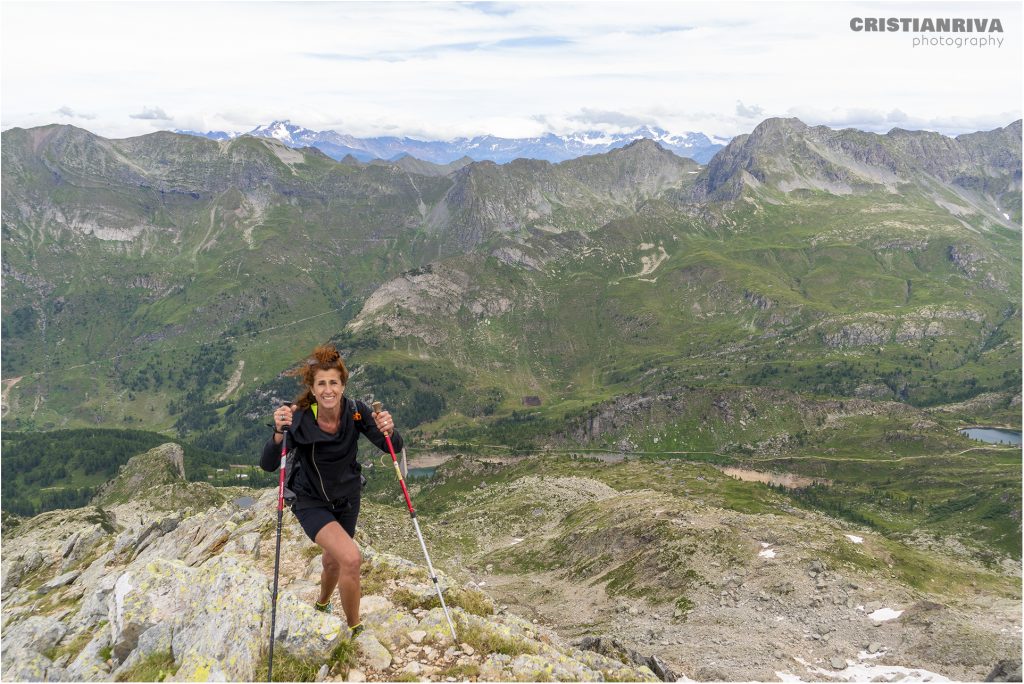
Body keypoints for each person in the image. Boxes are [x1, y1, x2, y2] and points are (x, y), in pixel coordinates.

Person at [260, 343, 402, 637]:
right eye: (321, 383)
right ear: (312, 389)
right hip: (310, 501)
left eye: (333, 383)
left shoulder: (356, 411)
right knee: (350, 558)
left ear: (342, 385)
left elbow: (392, 447)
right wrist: (277, 434)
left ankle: (322, 603)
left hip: (347, 499)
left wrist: (389, 428)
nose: (328, 390)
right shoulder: (298, 418)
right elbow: (268, 464)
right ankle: (354, 630)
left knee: (333, 559)